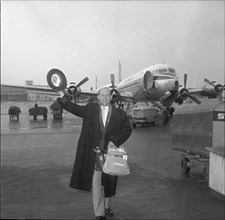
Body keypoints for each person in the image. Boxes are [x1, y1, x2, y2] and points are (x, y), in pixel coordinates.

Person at [57, 87, 132, 220]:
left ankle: (107, 206)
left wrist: (115, 141)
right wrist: (63, 96)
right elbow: (74, 108)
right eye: (102, 95)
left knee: (109, 182)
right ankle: (99, 213)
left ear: (111, 97)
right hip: (95, 153)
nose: (104, 97)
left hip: (110, 153)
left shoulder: (119, 113)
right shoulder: (90, 109)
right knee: (96, 182)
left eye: (107, 95)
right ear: (98, 97)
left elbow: (127, 129)